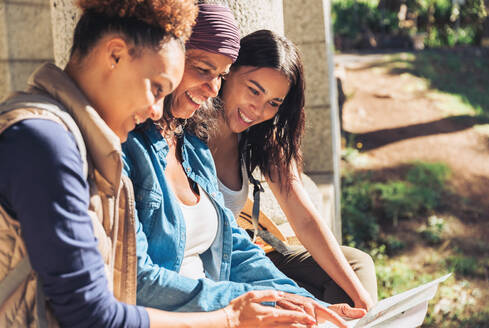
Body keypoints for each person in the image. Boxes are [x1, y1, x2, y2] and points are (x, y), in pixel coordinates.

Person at [0, 1, 324, 327]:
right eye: (156, 88)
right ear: (115, 55)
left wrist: (300, 306)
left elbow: (230, 247)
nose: (157, 111)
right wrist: (230, 318)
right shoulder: (44, 140)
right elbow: (94, 313)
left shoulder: (88, 142)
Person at [122, 4, 366, 327]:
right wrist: (240, 306)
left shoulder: (193, 147)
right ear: (169, 60)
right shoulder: (129, 149)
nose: (212, 89)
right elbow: (138, 281)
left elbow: (236, 246)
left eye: (219, 76)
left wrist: (303, 304)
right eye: (202, 69)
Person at [188, 29, 378, 310]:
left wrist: (363, 300)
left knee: (356, 267)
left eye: (273, 103)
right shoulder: (187, 125)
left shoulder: (262, 137)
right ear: (228, 72)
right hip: (209, 269)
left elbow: (305, 218)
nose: (258, 110)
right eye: (254, 90)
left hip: (246, 252)